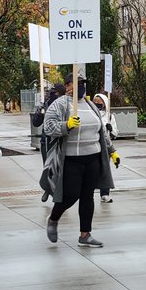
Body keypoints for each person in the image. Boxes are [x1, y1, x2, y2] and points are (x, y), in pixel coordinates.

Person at [41, 77, 118, 248]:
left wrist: (112, 151)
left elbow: (101, 131)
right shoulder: (60, 104)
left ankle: (85, 234)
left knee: (87, 196)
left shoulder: (90, 106)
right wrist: (66, 125)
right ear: (68, 86)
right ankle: (53, 218)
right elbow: (48, 127)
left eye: (83, 84)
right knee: (71, 195)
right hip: (71, 159)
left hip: (93, 158)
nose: (81, 87)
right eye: (77, 84)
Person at [93, 92, 118, 203]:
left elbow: (115, 133)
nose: (97, 104)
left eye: (100, 102)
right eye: (95, 102)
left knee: (105, 170)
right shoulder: (92, 113)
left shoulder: (110, 116)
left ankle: (105, 193)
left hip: (106, 147)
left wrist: (110, 128)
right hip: (93, 146)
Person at [34, 83, 65, 162]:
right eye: (51, 93)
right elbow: (36, 122)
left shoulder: (65, 105)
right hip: (47, 140)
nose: (52, 95)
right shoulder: (45, 105)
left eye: (55, 93)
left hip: (61, 141)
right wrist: (40, 112)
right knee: (48, 169)